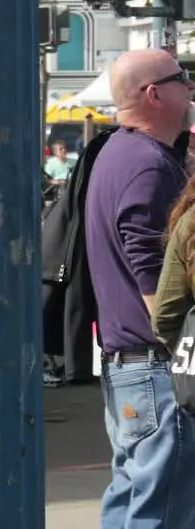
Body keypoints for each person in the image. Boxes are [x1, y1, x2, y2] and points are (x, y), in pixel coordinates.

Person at [84, 48, 195, 528]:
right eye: (182, 78)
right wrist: (178, 343)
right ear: (154, 94)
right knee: (161, 510)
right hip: (156, 368)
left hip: (130, 368)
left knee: (131, 498)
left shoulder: (118, 152)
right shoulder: (148, 165)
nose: (189, 87)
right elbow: (150, 266)